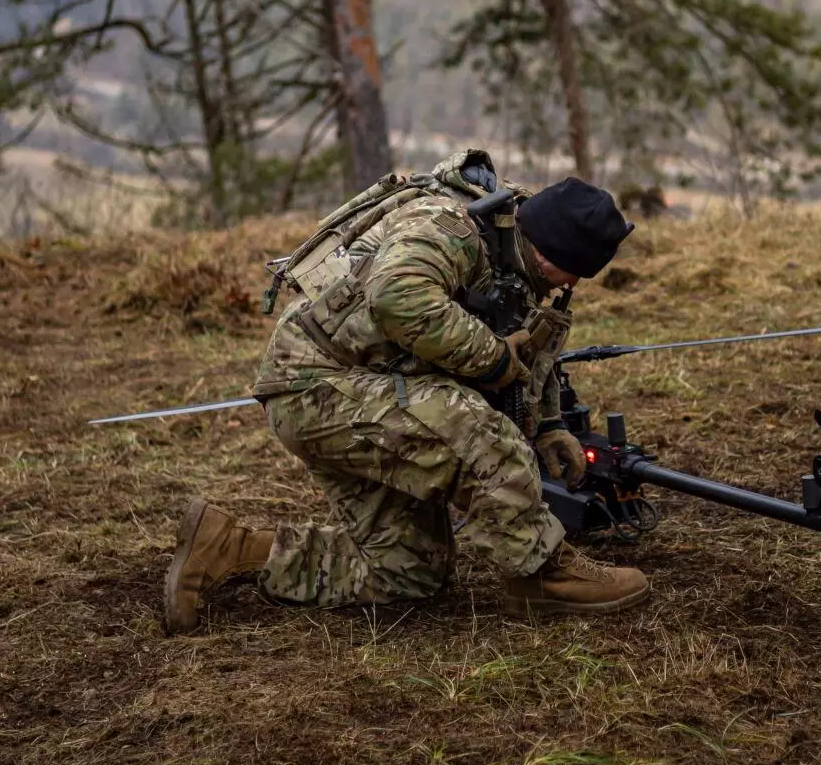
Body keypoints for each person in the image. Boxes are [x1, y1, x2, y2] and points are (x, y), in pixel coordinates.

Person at [164, 149, 648, 633]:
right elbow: (398, 297)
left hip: (364, 385)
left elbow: (530, 343)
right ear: (550, 255)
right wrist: (494, 358)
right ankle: (544, 575)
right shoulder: (450, 226)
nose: (573, 284)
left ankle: (228, 548)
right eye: (574, 273)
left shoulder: (520, 253)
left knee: (408, 571)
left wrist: (548, 425)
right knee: (477, 432)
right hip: (314, 385)